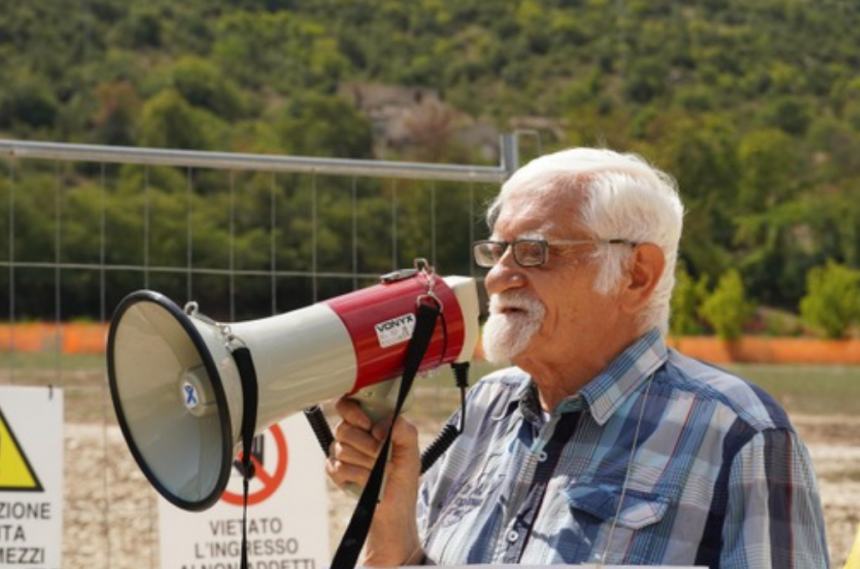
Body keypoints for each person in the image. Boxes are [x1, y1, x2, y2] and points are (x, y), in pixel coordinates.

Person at [326, 148, 829, 568]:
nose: (498, 277)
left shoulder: (739, 435)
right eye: (497, 251)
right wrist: (390, 519)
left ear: (637, 274)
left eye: (536, 252)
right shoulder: (484, 407)